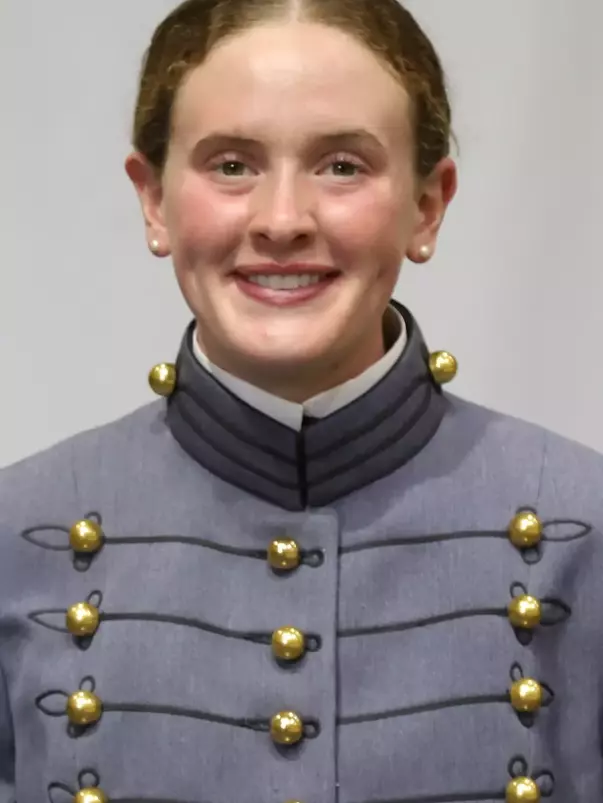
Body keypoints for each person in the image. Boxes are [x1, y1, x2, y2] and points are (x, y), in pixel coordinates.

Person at [1, 0, 602, 800]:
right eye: (230, 165)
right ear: (154, 201)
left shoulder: (583, 528)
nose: (282, 220)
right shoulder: (16, 531)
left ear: (427, 206)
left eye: (342, 165)